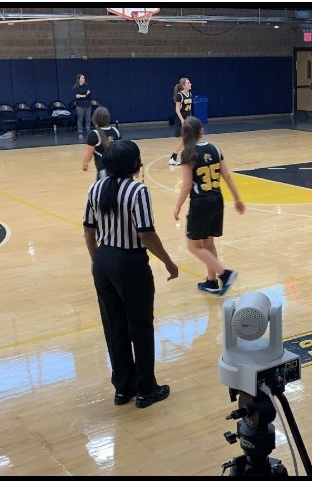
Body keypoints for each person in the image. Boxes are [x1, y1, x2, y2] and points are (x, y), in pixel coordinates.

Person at [83, 139, 178, 409]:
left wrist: (96, 261)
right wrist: (169, 263)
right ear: (135, 163)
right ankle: (147, 389)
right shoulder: (138, 191)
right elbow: (146, 234)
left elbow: (88, 230)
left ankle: (123, 388)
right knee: (141, 327)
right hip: (130, 264)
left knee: (114, 327)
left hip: (103, 260)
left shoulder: (95, 187)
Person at [172, 116, 244, 296]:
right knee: (208, 243)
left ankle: (224, 273)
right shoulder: (215, 149)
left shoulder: (187, 154)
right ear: (201, 131)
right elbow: (227, 176)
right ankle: (211, 282)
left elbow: (187, 185)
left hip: (201, 203)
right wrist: (237, 198)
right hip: (217, 200)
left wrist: (178, 206)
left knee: (193, 246)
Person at [81, 106, 121, 181]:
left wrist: (85, 164)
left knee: (104, 191)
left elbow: (89, 154)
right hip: (118, 170)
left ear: (95, 118)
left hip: (104, 170)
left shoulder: (94, 134)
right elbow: (122, 150)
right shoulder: (116, 131)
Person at [168, 77, 193, 166]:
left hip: (187, 119)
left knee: (186, 140)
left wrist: (189, 119)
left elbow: (189, 109)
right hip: (180, 120)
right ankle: (173, 158)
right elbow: (177, 109)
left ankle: (186, 158)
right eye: (188, 83)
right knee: (182, 140)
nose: (190, 84)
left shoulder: (189, 94)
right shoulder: (180, 95)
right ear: (183, 86)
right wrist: (182, 120)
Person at [72, 73, 92, 140]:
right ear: (79, 79)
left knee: (88, 120)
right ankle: (80, 132)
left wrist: (82, 95)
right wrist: (85, 95)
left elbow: (89, 95)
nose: (83, 79)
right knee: (80, 120)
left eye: (84, 78)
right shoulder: (75, 87)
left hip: (88, 105)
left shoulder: (86, 86)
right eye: (82, 78)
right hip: (80, 106)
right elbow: (77, 96)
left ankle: (88, 132)